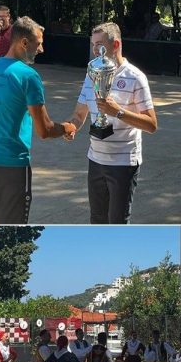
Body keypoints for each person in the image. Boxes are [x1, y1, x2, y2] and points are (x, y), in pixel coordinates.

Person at [0, 16, 76, 224]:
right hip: (12, 166)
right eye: (39, 43)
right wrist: (67, 127)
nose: (41, 49)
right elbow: (45, 130)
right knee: (13, 230)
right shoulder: (28, 76)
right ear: (24, 43)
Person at [63, 22, 157, 224]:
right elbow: (79, 114)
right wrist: (70, 127)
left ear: (115, 45)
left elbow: (151, 124)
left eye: (99, 44)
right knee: (97, 220)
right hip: (95, 160)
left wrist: (118, 112)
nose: (95, 50)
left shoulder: (135, 77)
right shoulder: (91, 74)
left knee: (117, 222)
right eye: (92, 45)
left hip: (123, 164)